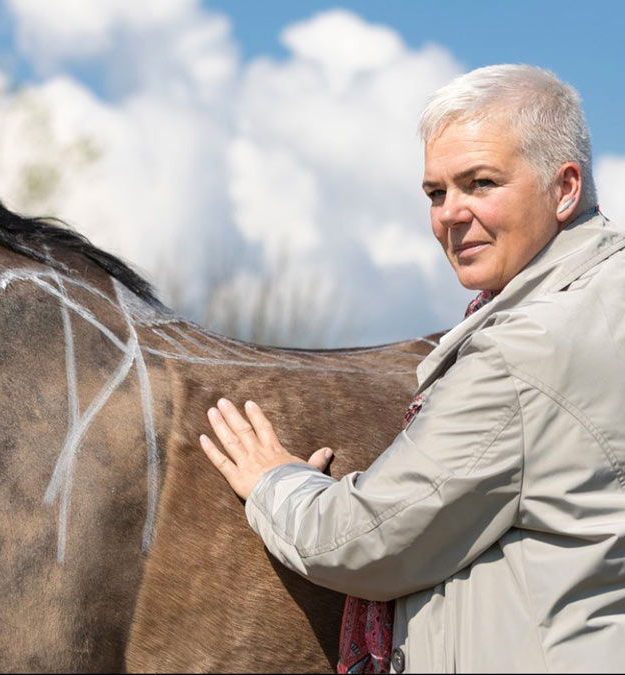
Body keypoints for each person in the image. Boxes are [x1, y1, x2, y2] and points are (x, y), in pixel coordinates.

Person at [199, 64, 625, 673]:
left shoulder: (527, 349)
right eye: (435, 192)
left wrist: (277, 482)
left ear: (564, 189)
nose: (450, 214)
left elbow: (364, 542)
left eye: (480, 183)